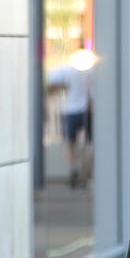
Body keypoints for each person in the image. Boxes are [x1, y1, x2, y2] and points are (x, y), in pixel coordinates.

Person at [47, 49, 94, 188]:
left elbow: (50, 83)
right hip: (87, 110)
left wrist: (62, 88)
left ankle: (74, 167)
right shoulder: (91, 71)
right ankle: (85, 173)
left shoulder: (67, 70)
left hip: (71, 110)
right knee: (89, 143)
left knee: (70, 142)